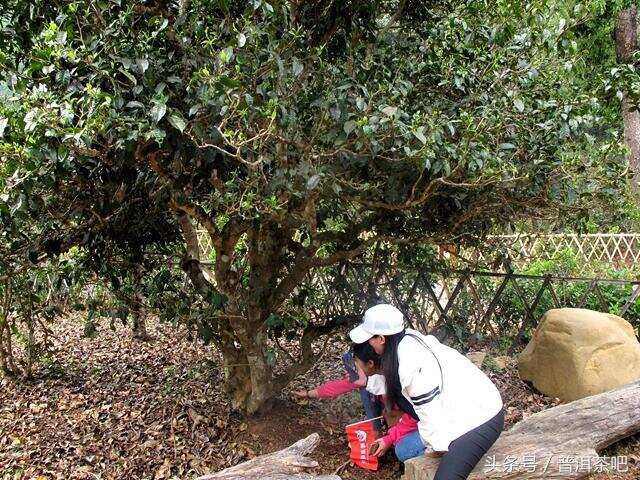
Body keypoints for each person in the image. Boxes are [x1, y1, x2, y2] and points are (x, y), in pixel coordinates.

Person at [349, 303, 505, 479]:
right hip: (460, 409)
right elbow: (393, 386)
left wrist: (438, 447)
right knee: (406, 449)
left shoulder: (413, 365)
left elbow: (431, 420)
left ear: (381, 339)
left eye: (370, 339)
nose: (369, 344)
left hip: (480, 417)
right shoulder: (404, 342)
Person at [293, 342, 420, 455]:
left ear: (370, 364)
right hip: (399, 415)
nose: (353, 370)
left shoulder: (399, 379)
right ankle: (379, 431)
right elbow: (338, 386)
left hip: (421, 422)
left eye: (356, 364)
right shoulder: (368, 375)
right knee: (365, 390)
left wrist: (390, 438)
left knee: (402, 451)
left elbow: (415, 416)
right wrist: (309, 393)